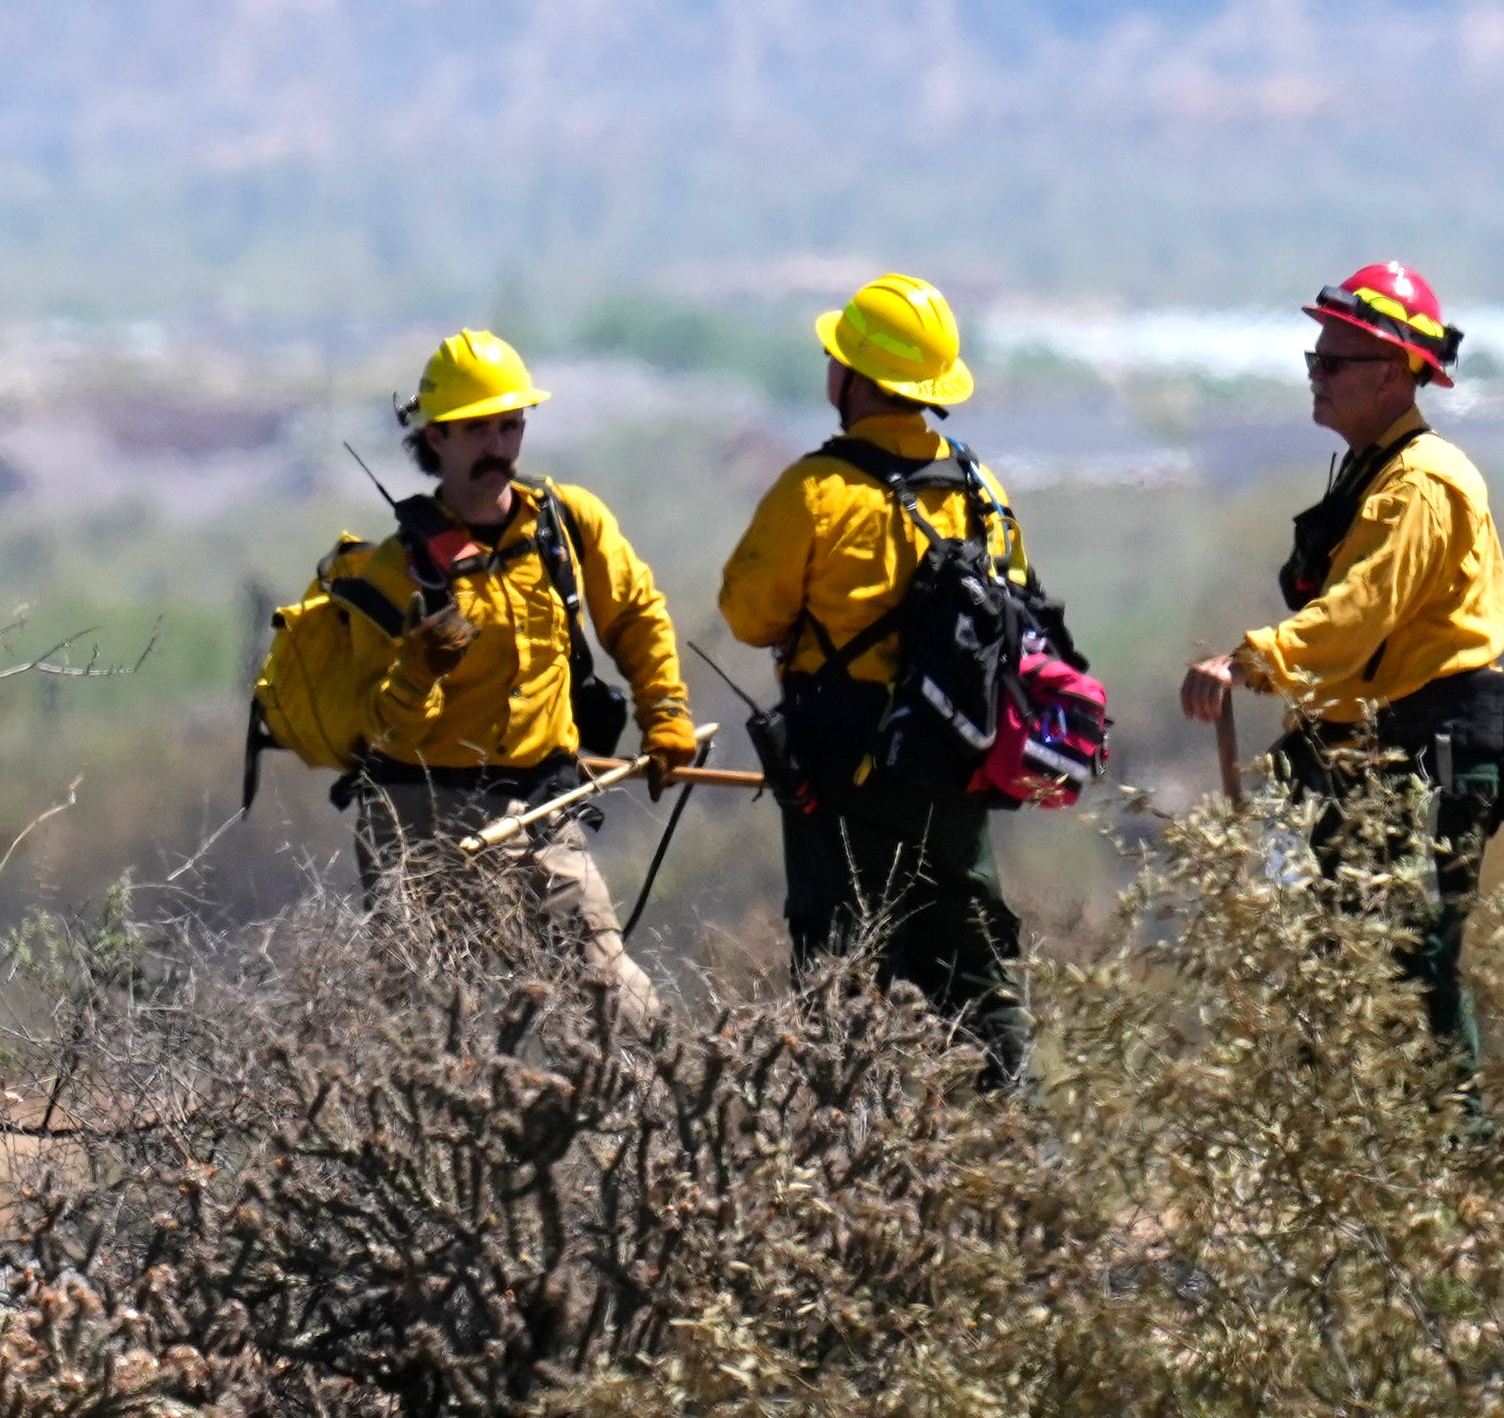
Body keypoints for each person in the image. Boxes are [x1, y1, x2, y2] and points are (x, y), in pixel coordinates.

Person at [1179, 261, 1504, 1067]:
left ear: (1394, 375)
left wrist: (1252, 661)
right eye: (1313, 362)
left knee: (1409, 974)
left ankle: (1463, 1170)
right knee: (1342, 978)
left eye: (1333, 364)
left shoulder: (1420, 484)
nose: (1316, 379)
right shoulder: (1377, 471)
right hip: (1370, 761)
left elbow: (1357, 618)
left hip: (1421, 761)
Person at [718, 274, 1033, 1084]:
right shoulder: (982, 490)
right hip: (957, 769)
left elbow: (749, 614)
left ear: (853, 379)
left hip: (843, 775)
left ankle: (841, 1182)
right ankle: (1027, 1166)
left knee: (838, 983)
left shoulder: (817, 491)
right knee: (979, 981)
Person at [334, 328, 700, 1018]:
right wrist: (418, 672)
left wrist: (666, 714)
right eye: (477, 431)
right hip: (420, 825)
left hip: (540, 811)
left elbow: (636, 613)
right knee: (430, 1038)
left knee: (619, 1014)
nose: (498, 448)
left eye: (510, 426)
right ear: (436, 437)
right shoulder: (391, 571)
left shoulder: (566, 524)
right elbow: (380, 728)